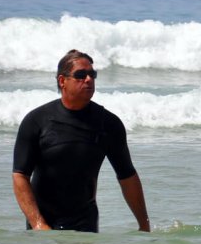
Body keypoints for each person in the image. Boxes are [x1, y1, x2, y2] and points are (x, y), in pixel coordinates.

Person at [12, 49, 151, 232]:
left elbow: (127, 177)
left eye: (92, 74)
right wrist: (38, 224)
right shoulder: (37, 121)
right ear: (62, 81)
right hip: (44, 225)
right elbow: (20, 175)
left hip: (85, 225)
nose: (88, 79)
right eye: (80, 75)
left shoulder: (108, 124)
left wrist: (144, 225)